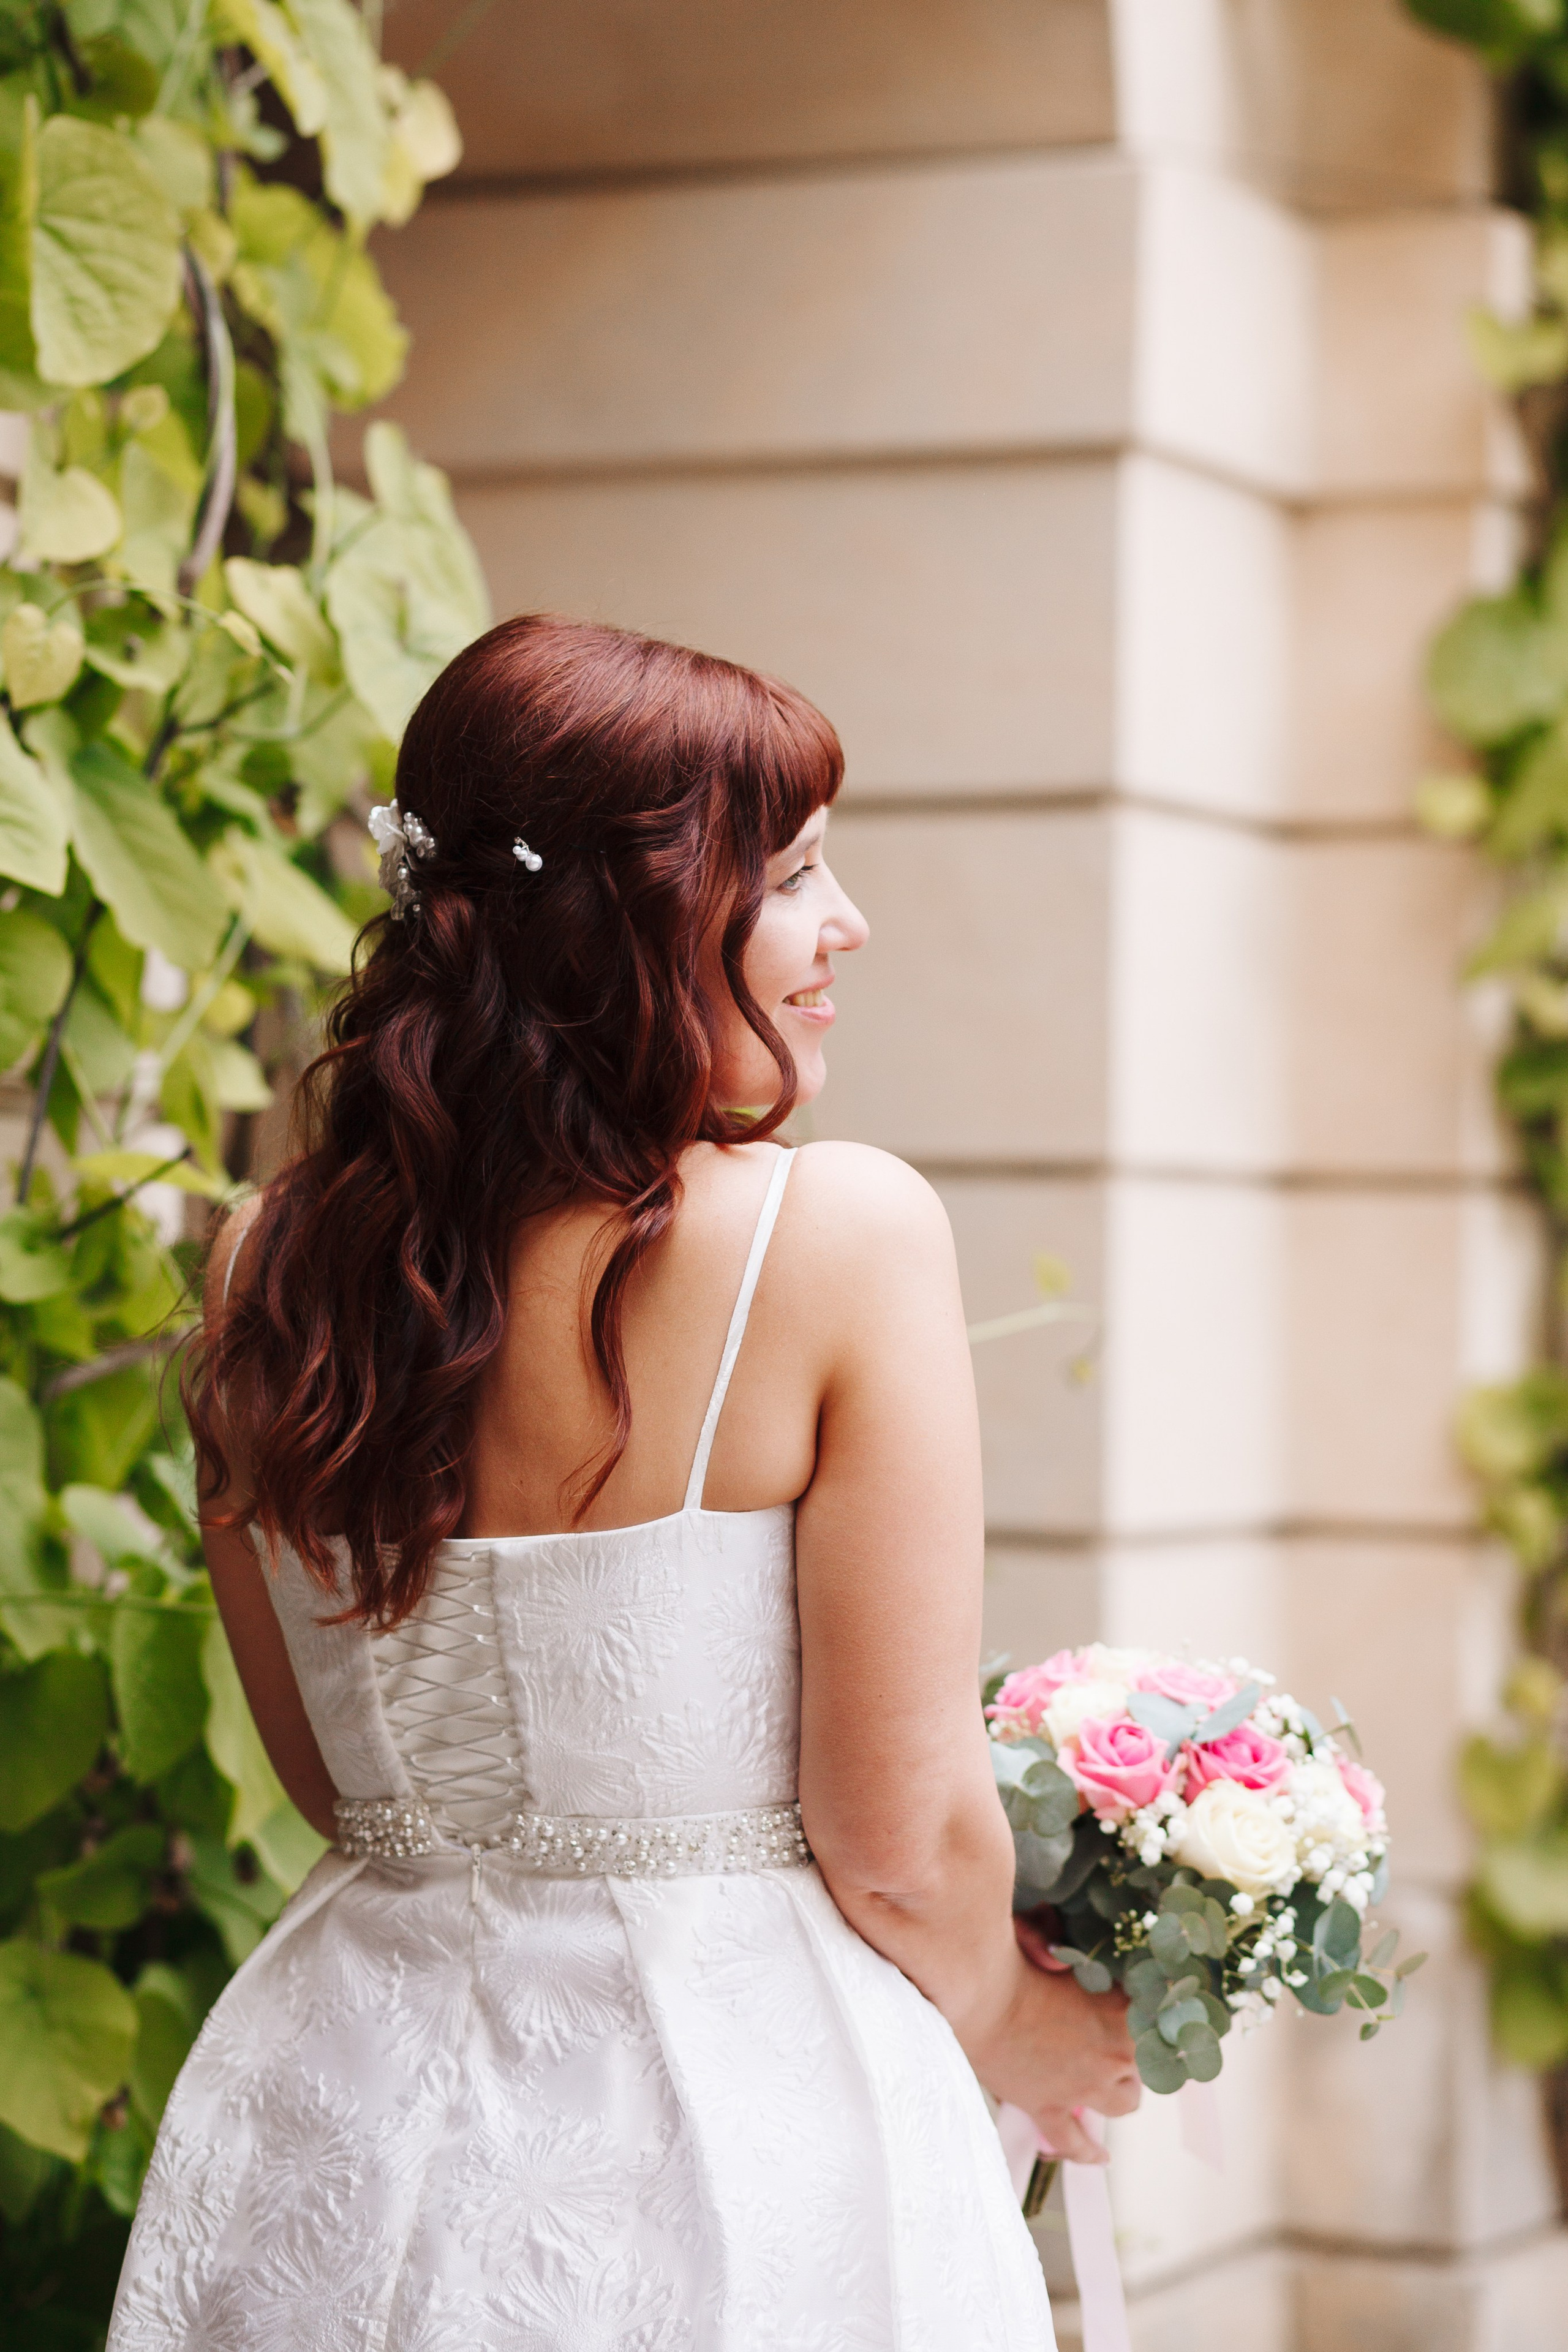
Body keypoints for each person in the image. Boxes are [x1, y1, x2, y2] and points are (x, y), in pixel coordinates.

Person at [108, 614, 1139, 2350]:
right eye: (795, 874)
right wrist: (1015, 2024)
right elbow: (894, 1840)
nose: (846, 926)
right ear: (629, 924)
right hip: (737, 2122)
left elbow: (320, 1775)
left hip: (344, 2108)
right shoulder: (838, 1234)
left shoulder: (266, 1267)